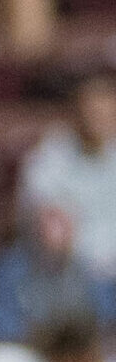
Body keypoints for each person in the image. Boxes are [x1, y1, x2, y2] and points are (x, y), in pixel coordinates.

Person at [20, 76, 116, 281]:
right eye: (92, 112)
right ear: (77, 111)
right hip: (67, 272)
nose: (99, 120)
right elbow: (37, 209)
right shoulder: (53, 152)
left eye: (107, 113)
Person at [0, 202, 114, 343]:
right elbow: (0, 326)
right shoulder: (8, 270)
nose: (54, 234)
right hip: (25, 351)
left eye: (63, 226)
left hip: (80, 353)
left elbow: (106, 319)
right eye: (47, 226)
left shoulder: (87, 269)